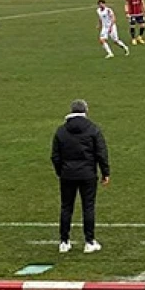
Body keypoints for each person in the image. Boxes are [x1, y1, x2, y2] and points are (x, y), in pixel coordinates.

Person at [51, 99, 110, 254]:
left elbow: (55, 156)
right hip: (88, 174)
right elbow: (101, 153)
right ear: (85, 111)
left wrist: (61, 171)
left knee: (66, 207)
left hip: (67, 174)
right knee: (88, 207)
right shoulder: (92, 129)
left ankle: (64, 241)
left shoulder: (61, 131)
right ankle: (89, 241)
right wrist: (105, 172)